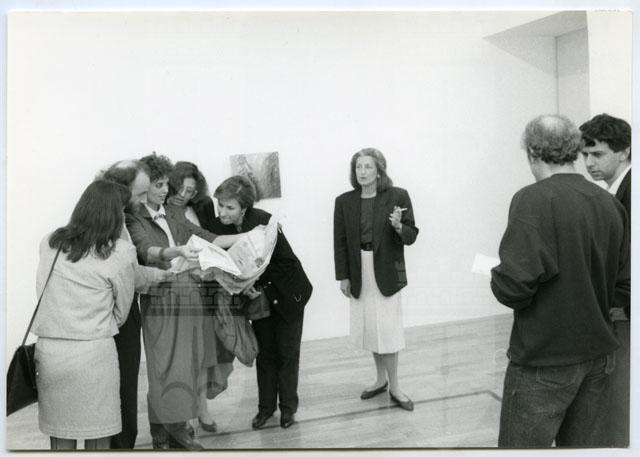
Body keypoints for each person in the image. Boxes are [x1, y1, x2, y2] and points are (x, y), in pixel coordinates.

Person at [491, 114, 630, 447]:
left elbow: (513, 287)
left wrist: (498, 275)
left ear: (532, 152)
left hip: (545, 359)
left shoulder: (532, 199)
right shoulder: (609, 203)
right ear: (574, 149)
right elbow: (624, 284)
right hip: (599, 358)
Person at [126, 153, 241, 449]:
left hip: (187, 296)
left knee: (186, 365)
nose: (166, 190)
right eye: (159, 185)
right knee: (164, 367)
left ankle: (168, 431)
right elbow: (146, 250)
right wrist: (177, 252)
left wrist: (252, 236)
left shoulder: (171, 213)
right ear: (144, 187)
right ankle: (172, 431)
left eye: (167, 184)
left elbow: (207, 238)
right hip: (160, 300)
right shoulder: (133, 217)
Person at [32, 180, 137, 450]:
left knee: (60, 438)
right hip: (94, 356)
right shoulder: (121, 252)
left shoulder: (50, 242)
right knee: (99, 438)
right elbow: (121, 311)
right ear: (116, 214)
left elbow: (42, 290)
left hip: (52, 353)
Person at [210, 175, 313, 429]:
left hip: (287, 294)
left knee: (287, 354)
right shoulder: (221, 227)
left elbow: (281, 262)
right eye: (220, 205)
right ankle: (265, 409)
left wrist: (254, 282)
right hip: (259, 300)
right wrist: (245, 287)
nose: (222, 212)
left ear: (244, 208)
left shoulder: (263, 221)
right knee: (265, 354)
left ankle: (288, 409)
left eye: (230, 207)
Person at [333, 148, 418, 411]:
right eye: (358, 167)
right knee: (372, 329)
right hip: (359, 269)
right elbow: (340, 242)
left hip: (388, 271)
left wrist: (398, 226)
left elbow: (412, 235)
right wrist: (343, 276)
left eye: (368, 167)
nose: (363, 172)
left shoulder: (398, 196)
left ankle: (396, 387)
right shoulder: (344, 201)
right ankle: (380, 380)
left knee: (388, 331)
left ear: (379, 170)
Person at [100, 160, 171, 449]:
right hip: (119, 317)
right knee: (123, 390)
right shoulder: (112, 223)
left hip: (121, 314)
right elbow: (126, 275)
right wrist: (159, 275)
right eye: (140, 194)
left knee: (123, 389)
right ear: (121, 190)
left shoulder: (118, 218)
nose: (143, 200)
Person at [166, 160, 234, 433]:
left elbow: (212, 238)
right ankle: (187, 415)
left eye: (191, 190)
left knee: (206, 353)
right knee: (187, 355)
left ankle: (203, 409)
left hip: (207, 288)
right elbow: (202, 240)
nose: (184, 195)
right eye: (180, 188)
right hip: (181, 290)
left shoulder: (202, 206)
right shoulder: (168, 211)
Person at [579, 113, 631, 447]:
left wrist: (623, 304)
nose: (589, 163)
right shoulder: (617, 191)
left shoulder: (631, 191)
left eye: (598, 154)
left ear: (624, 151)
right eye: (585, 154)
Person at [167, 161, 217, 231]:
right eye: (179, 187)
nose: (182, 194)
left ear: (194, 194)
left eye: (189, 191)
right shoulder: (157, 208)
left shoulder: (204, 206)